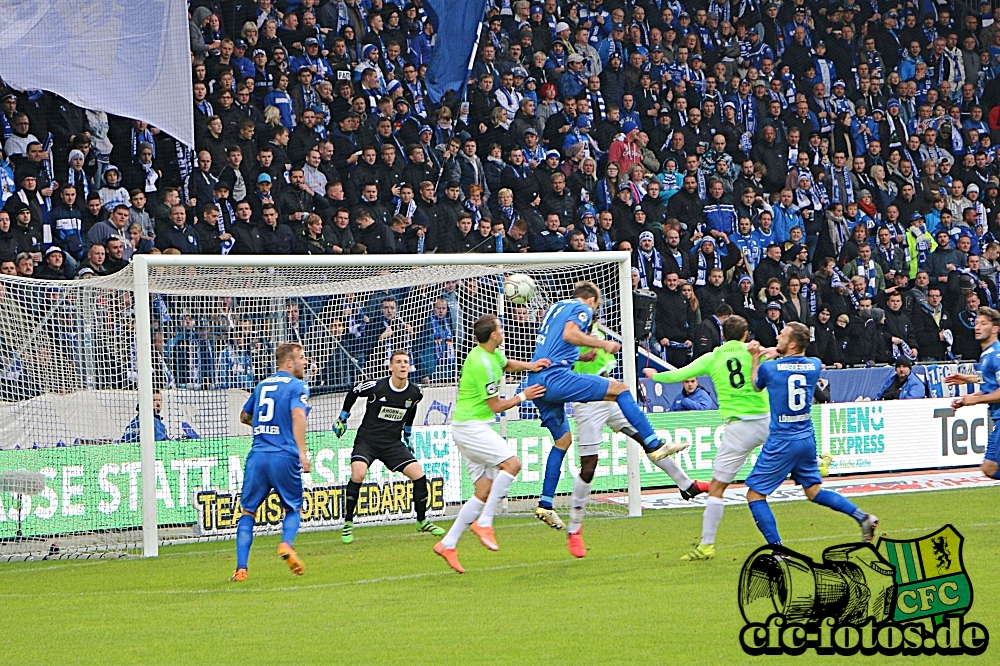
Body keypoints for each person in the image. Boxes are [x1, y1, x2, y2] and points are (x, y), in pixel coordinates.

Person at [527, 281, 687, 531]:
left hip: (537, 379)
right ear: (591, 300)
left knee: (562, 442)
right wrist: (601, 344)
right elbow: (570, 334)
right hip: (555, 378)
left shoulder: (554, 308)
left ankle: (545, 503)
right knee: (621, 389)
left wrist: (580, 356)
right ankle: (654, 445)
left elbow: (557, 343)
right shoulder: (582, 308)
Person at [646, 315, 785, 561]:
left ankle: (707, 545)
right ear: (745, 335)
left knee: (717, 488)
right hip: (765, 420)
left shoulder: (713, 357)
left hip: (738, 429)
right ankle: (816, 463)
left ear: (722, 335)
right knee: (793, 454)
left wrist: (653, 375)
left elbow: (679, 374)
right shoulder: (756, 351)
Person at [745, 322, 879, 546]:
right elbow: (792, 362)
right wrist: (775, 351)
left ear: (793, 344)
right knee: (814, 491)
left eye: (782, 335)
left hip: (782, 441)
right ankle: (863, 517)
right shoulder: (814, 365)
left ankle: (778, 550)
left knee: (755, 495)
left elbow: (756, 385)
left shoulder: (770, 369)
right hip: (806, 438)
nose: (778, 336)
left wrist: (755, 358)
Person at [433, 315, 548, 573]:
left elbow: (506, 364)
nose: (503, 330)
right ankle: (485, 521)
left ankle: (448, 543)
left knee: (483, 490)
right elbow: (496, 406)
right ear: (494, 335)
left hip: (470, 426)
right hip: (471, 427)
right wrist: (523, 395)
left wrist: (531, 366)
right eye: (500, 328)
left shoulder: (490, 353)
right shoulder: (481, 363)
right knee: (512, 464)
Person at [331, 351, 444, 544]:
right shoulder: (377, 386)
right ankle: (348, 524)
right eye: (398, 362)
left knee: (419, 475)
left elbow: (412, 408)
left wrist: (407, 434)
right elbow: (354, 391)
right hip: (367, 441)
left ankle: (422, 521)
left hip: (392, 443)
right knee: (358, 475)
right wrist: (343, 417)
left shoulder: (415, 393)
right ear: (390, 367)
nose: (402, 366)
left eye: (406, 362)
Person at [231, 342, 311, 582]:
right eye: (301, 357)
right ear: (289, 362)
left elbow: (245, 416)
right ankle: (286, 544)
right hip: (283, 456)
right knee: (292, 508)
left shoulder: (262, 384)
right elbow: (298, 415)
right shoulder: (298, 386)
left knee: (247, 512)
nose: (305, 362)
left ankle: (241, 569)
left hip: (257, 456)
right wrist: (302, 452)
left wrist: (263, 427)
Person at [946, 307, 1000, 480]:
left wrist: (975, 401)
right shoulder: (986, 355)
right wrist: (965, 397)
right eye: (977, 323)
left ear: (995, 329)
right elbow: (988, 381)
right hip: (997, 416)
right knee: (990, 468)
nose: (978, 327)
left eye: (984, 324)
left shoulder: (997, 354)